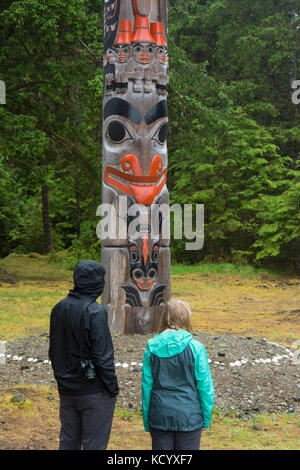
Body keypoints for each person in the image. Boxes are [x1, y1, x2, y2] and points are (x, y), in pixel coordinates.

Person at [49, 260, 119, 450]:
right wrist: (112, 388)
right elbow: (103, 356)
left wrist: (62, 379)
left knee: (68, 442)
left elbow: (53, 351)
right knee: (93, 444)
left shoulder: (58, 308)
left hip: (67, 388)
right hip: (93, 390)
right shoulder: (95, 312)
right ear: (96, 283)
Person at [142, 299, 214, 450]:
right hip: (189, 416)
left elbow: (147, 386)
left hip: (160, 414)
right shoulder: (196, 348)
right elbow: (205, 387)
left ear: (164, 317)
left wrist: (147, 418)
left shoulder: (152, 346)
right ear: (187, 317)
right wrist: (206, 418)